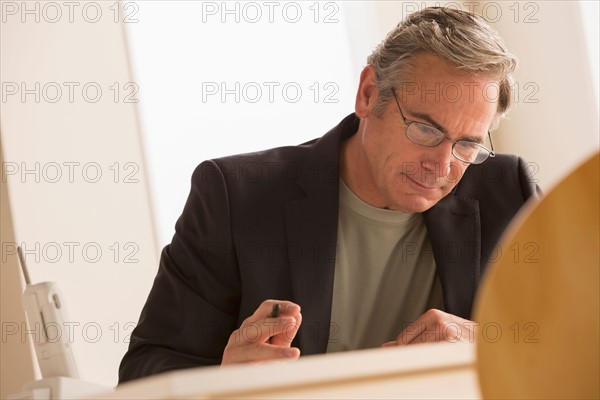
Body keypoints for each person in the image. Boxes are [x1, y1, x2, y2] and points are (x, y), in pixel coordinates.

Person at [119, 6, 539, 382]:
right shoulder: (235, 196)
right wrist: (226, 377)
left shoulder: (507, 192)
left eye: (467, 144)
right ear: (368, 94)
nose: (443, 166)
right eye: (426, 130)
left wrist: (489, 345)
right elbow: (146, 370)